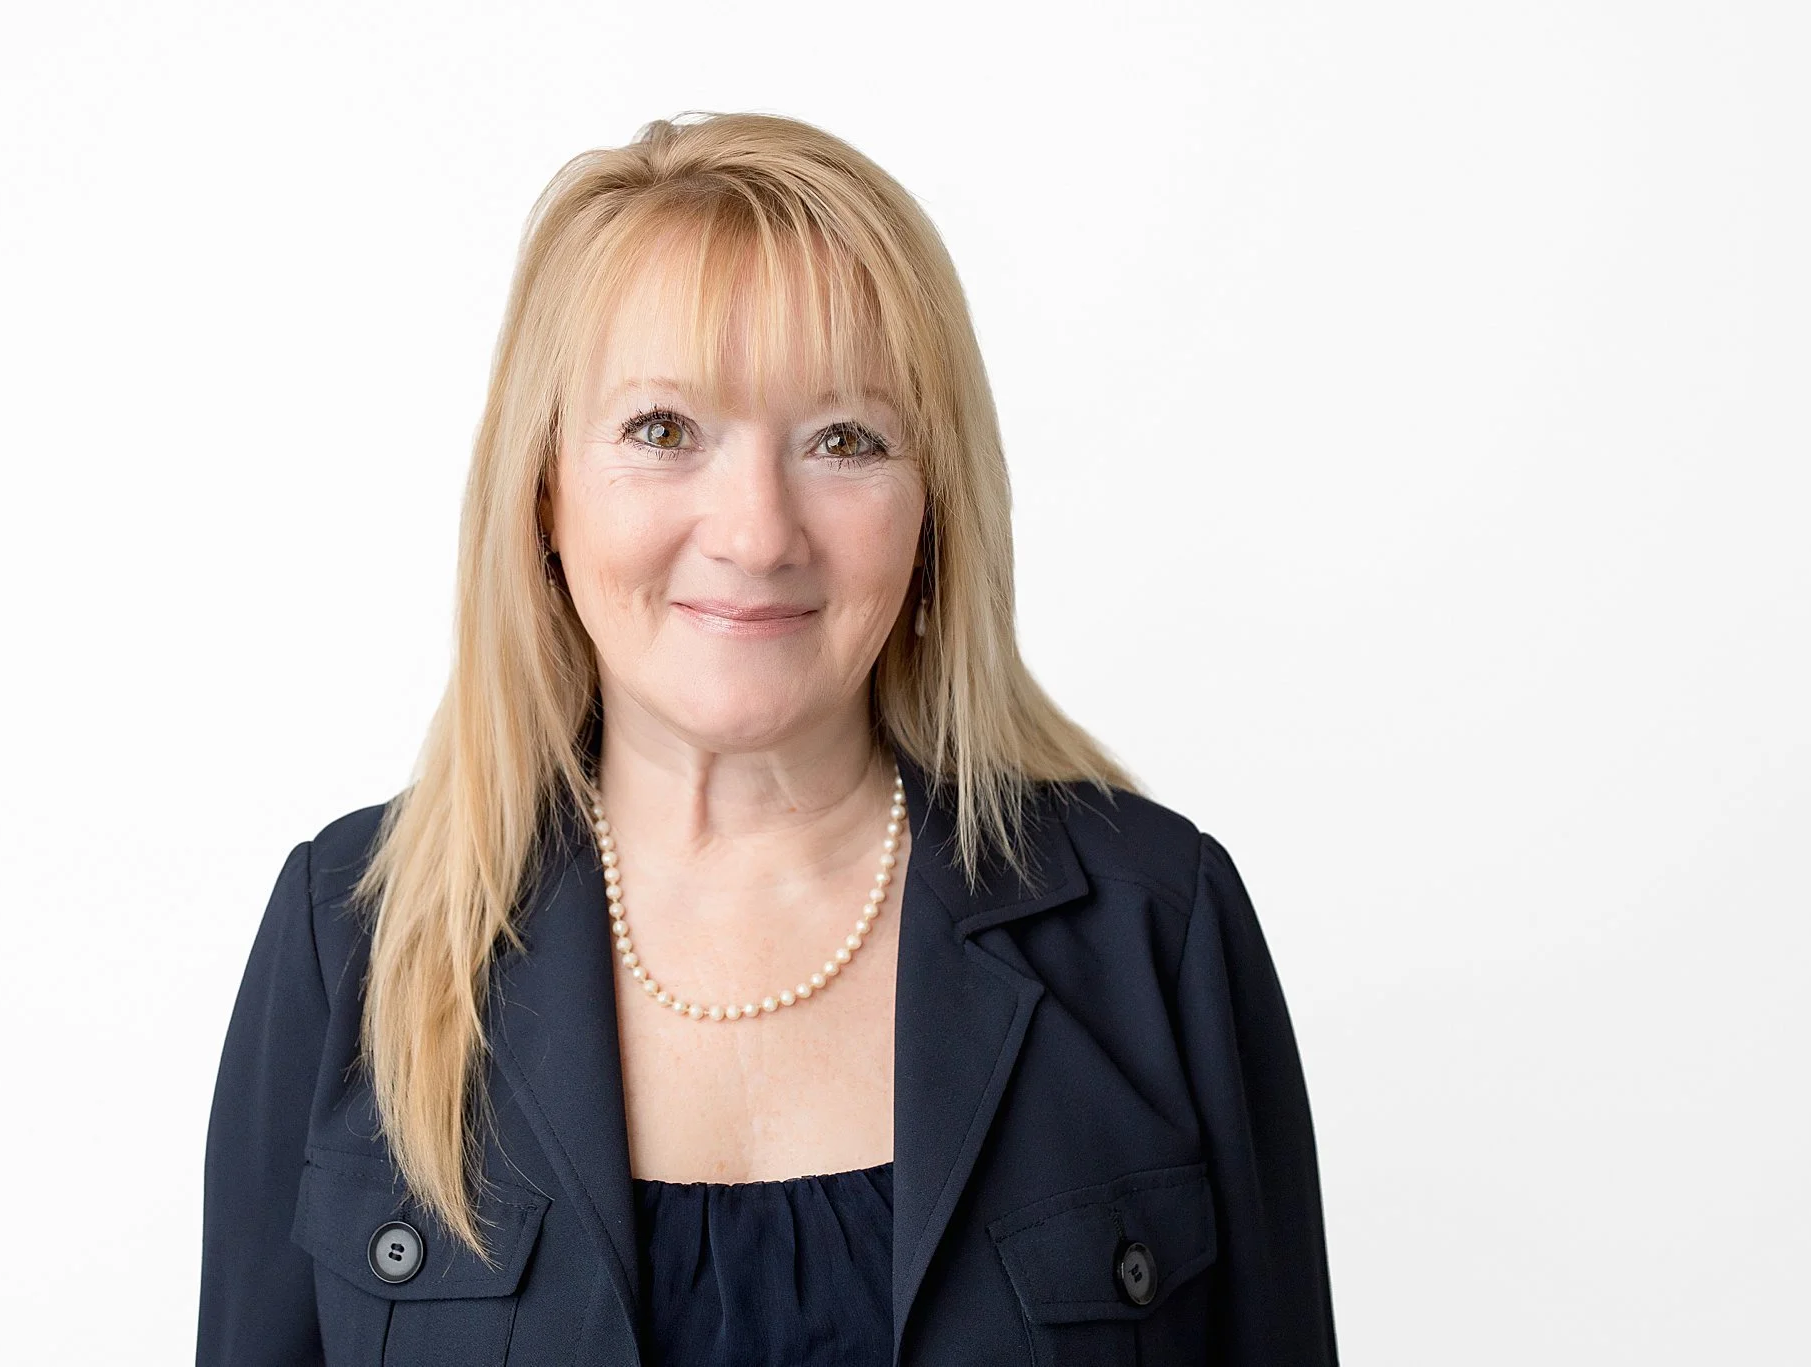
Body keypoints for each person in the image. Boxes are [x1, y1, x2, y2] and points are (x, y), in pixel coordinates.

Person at [197, 110, 1337, 1367]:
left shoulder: (1152, 928)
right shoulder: (353, 937)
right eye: (662, 430)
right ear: (541, 490)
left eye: (843, 439)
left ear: (934, 510)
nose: (755, 532)